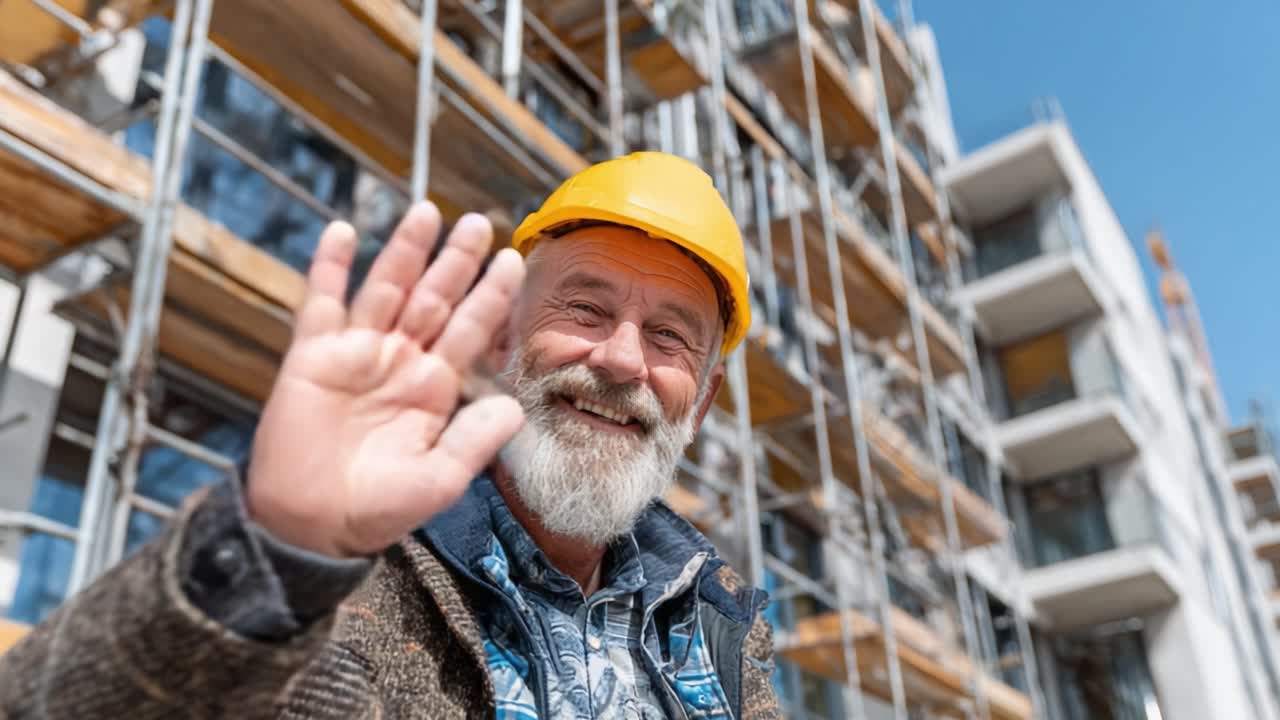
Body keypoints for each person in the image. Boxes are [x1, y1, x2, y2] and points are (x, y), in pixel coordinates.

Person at [0, 152, 780, 719]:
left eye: (670, 336)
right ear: (504, 339)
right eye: (584, 310)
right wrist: (272, 555)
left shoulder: (718, 620)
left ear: (701, 400)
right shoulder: (355, 582)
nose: (619, 359)